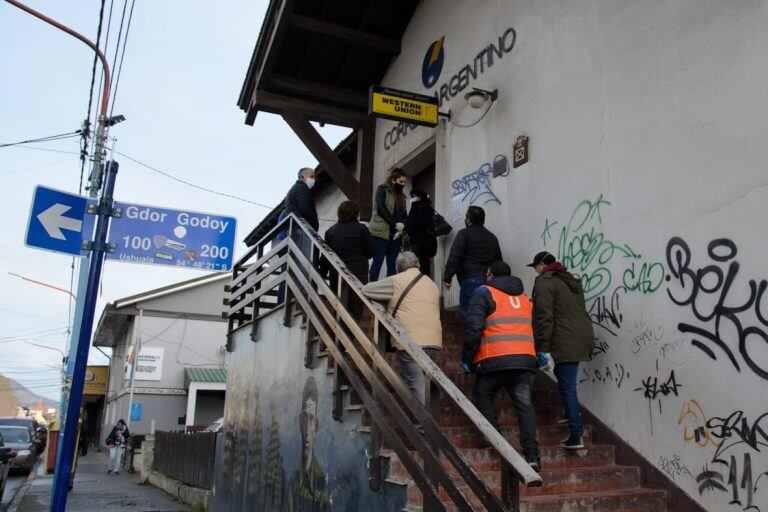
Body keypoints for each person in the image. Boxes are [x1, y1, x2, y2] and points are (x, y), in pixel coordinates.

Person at [461, 261, 540, 470]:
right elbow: (535, 327)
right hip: (524, 360)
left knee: (483, 392)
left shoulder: (484, 292)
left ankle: (495, 439)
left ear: (490, 275)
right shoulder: (523, 298)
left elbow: (473, 328)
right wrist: (536, 355)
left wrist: (467, 359)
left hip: (495, 358)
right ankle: (532, 455)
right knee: (524, 405)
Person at [528, 251, 595, 450]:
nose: (535, 271)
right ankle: (570, 412)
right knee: (567, 384)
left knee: (567, 387)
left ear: (542, 264)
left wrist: (543, 348)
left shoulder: (545, 282)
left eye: (535, 267)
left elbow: (544, 316)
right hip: (580, 336)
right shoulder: (570, 280)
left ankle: (576, 435)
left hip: (563, 339)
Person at [362, 251, 442, 406]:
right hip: (433, 341)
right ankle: (430, 425)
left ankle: (423, 428)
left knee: (416, 386)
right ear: (418, 265)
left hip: (409, 342)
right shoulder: (432, 284)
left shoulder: (396, 280)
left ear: (397, 268)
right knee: (429, 386)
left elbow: (366, 290)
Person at [442, 206, 503, 318]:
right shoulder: (492, 237)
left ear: (469, 219)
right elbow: (499, 262)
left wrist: (447, 277)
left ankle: (474, 336)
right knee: (487, 314)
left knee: (471, 317)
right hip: (489, 282)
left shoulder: (463, 234)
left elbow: (455, 256)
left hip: (470, 280)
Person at [322, 201, 377, 317]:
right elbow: (372, 250)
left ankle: (337, 332)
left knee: (337, 306)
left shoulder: (330, 231)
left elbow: (325, 257)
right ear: (356, 213)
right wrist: (362, 256)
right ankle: (351, 334)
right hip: (358, 273)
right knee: (356, 307)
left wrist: (320, 275)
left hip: (336, 274)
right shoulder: (361, 229)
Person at [287, 377, 330, 511]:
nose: (307, 427)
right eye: (304, 419)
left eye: (311, 419)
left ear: (316, 427)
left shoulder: (320, 482)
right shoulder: (294, 477)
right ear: (300, 423)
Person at [368, 168, 408, 281]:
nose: (403, 184)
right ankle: (372, 289)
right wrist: (394, 224)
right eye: (401, 182)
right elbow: (381, 208)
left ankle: (390, 293)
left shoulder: (402, 197)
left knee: (392, 266)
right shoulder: (382, 189)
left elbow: (405, 215)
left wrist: (403, 225)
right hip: (380, 233)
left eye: (405, 182)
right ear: (393, 180)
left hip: (395, 236)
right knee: (378, 262)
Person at [404, 188, 437, 277]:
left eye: (413, 196)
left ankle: (424, 285)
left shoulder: (423, 206)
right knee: (420, 265)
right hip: (420, 241)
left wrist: (409, 231)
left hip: (423, 242)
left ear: (420, 196)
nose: (412, 198)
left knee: (423, 266)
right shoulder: (419, 206)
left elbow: (418, 222)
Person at [283, 167, 319, 232]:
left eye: (314, 178)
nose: (313, 180)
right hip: (302, 229)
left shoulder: (296, 188)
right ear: (302, 177)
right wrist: (314, 226)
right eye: (311, 177)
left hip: (297, 227)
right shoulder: (302, 188)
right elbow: (305, 208)